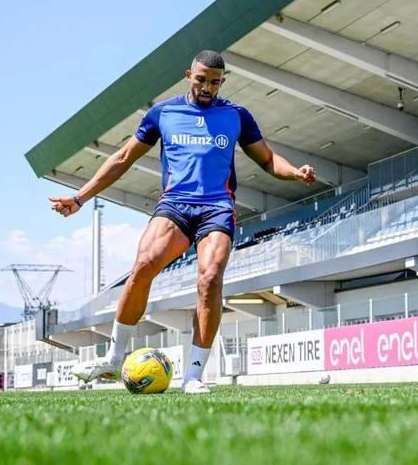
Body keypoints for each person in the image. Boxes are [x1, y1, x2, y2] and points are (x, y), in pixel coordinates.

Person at [49, 50, 316, 393]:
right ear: (188, 75)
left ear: (223, 81)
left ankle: (193, 375)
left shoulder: (237, 115)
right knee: (143, 265)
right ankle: (114, 360)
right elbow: (123, 157)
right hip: (175, 205)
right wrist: (79, 198)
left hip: (217, 207)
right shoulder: (163, 113)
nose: (207, 87)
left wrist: (294, 172)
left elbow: (268, 159)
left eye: (215, 82)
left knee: (210, 279)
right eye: (201, 79)